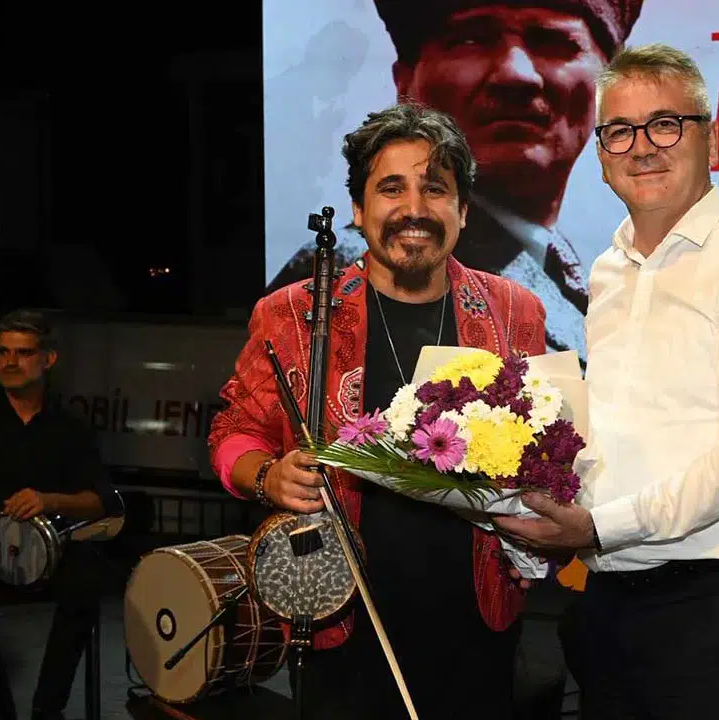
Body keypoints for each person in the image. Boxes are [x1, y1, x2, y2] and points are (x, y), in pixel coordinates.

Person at [494, 43, 719, 719]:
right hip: (607, 607)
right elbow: (613, 435)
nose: (642, 147)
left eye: (665, 124)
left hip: (717, 615)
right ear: (600, 154)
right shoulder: (606, 271)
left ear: (711, 137)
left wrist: (597, 527)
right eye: (620, 130)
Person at [207, 101, 548, 719]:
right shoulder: (291, 314)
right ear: (359, 210)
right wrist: (267, 475)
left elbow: (542, 449)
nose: (414, 208)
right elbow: (234, 429)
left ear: (462, 212)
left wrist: (539, 535)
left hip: (479, 621)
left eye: (435, 189)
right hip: (340, 624)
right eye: (392, 188)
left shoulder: (513, 310)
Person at [269, 0, 644, 361]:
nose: (516, 74)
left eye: (554, 43)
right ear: (405, 81)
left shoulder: (588, 275)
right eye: (470, 40)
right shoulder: (357, 267)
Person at [0, 309, 120, 720]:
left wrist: (50, 500)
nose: (9, 361)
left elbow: (99, 501)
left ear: (48, 359)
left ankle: (47, 707)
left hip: (55, 548)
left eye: (22, 353)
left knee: (87, 581)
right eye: (2, 352)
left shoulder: (71, 426)